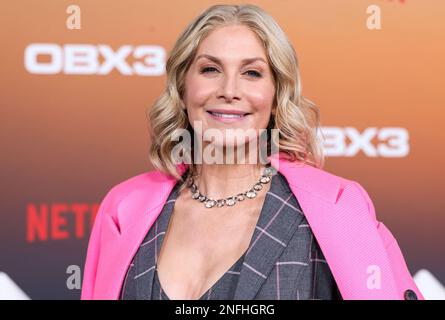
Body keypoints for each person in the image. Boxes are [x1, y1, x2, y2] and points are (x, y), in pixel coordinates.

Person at [81, 4, 423, 300]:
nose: (229, 90)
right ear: (183, 86)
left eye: (252, 73)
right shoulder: (123, 209)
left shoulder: (337, 209)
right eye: (210, 69)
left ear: (277, 95)